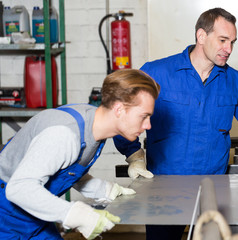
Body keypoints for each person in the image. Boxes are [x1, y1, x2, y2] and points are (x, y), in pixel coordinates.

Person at [113, 7, 238, 240]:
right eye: (223, 40)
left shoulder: (233, 81)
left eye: (233, 42)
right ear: (201, 36)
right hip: (163, 189)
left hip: (211, 190)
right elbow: (122, 115)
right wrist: (134, 155)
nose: (229, 49)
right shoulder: (157, 73)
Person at [0, 69, 160, 240]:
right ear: (119, 109)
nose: (148, 125)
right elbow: (19, 189)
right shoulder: (64, 134)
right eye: (144, 116)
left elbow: (62, 169)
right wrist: (77, 215)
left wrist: (106, 190)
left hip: (33, 215)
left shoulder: (93, 126)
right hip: (6, 216)